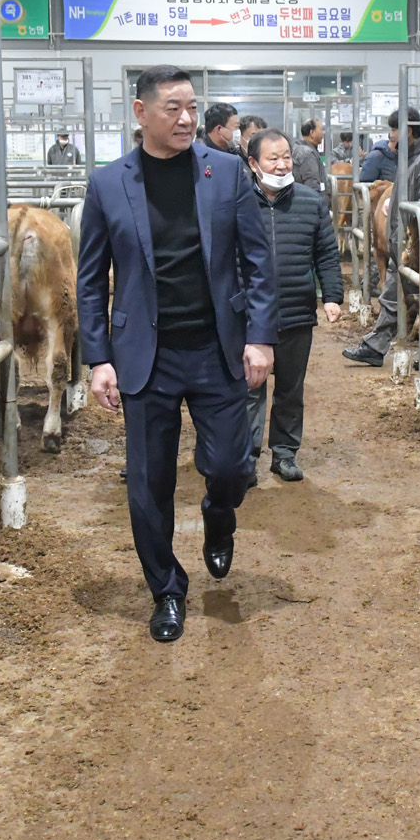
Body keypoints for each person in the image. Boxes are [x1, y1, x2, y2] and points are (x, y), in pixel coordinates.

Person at [76, 65, 275, 644]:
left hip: (217, 348)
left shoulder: (227, 172)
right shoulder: (107, 184)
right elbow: (90, 280)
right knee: (148, 483)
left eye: (192, 107)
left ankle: (219, 514)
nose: (187, 119)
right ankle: (166, 590)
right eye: (173, 108)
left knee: (234, 465)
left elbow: (258, 261)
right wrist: (98, 358)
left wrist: (260, 337)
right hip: (144, 355)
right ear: (141, 113)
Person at [244, 128, 344, 484]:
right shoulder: (238, 203)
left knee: (290, 388)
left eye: (286, 156)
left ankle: (284, 453)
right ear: (253, 163)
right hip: (250, 315)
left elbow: (326, 253)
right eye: (273, 158)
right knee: (249, 388)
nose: (282, 164)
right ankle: (246, 456)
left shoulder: (310, 201)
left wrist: (332, 296)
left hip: (297, 311)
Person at [344, 108, 420, 368]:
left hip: (415, 248)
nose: (391, 135)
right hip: (402, 245)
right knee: (394, 296)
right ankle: (376, 347)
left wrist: (415, 246)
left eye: (394, 129)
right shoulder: (409, 160)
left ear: (408, 131)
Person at [291, 118, 327, 197]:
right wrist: (318, 201)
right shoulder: (307, 153)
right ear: (312, 133)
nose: (322, 134)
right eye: (321, 130)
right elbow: (312, 183)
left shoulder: (300, 148)